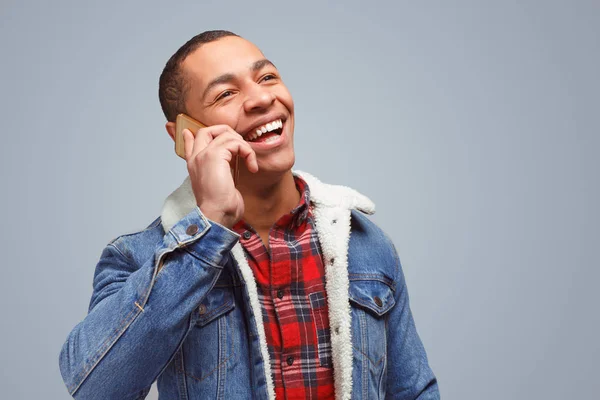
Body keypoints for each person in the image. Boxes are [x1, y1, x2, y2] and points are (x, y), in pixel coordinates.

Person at [59, 30, 440, 400]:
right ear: (184, 136)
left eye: (268, 77)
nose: (261, 98)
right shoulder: (140, 258)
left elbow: (414, 391)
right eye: (226, 93)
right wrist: (206, 228)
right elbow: (95, 388)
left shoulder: (367, 245)